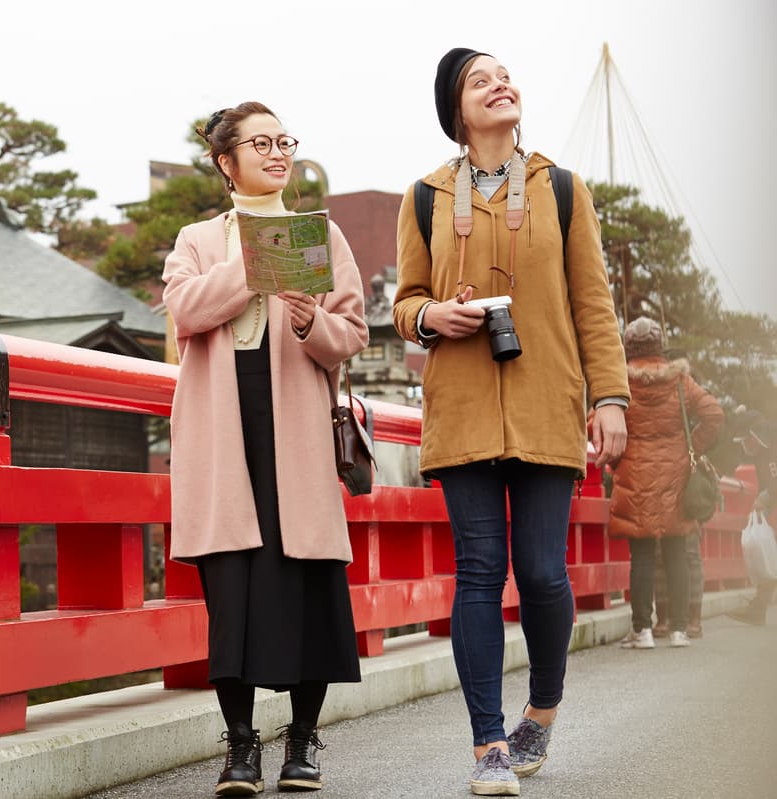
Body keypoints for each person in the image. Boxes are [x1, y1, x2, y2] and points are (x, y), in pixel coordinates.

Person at [393, 49, 629, 796]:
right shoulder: (425, 196)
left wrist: (611, 396)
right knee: (479, 572)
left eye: (504, 75)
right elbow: (404, 302)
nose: (501, 85)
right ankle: (488, 743)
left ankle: (544, 706)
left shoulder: (560, 188)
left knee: (541, 571)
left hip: (545, 402)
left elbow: (594, 301)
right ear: (457, 110)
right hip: (461, 408)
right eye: (480, 80)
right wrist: (435, 313)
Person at [162, 102, 368, 796]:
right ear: (227, 161)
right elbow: (185, 310)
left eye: (285, 142)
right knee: (233, 580)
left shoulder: (322, 235)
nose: (278, 153)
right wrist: (253, 266)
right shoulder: (196, 238)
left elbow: (352, 334)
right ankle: (241, 745)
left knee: (306, 576)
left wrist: (313, 321)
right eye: (262, 143)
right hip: (223, 426)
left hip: (296, 423)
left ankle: (302, 741)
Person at [609, 317, 723, 650]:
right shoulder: (680, 382)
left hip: (635, 477)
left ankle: (642, 630)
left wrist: (618, 455)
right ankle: (678, 630)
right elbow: (714, 414)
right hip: (676, 475)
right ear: (660, 346)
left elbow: (597, 424)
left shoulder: (621, 382)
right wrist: (691, 446)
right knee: (676, 550)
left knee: (642, 555)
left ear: (628, 347)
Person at [728, 411, 776, 625]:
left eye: (746, 440)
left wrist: (766, 497)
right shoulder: (760, 453)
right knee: (769, 554)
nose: (745, 446)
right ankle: (758, 609)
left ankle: (758, 608)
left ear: (755, 435)